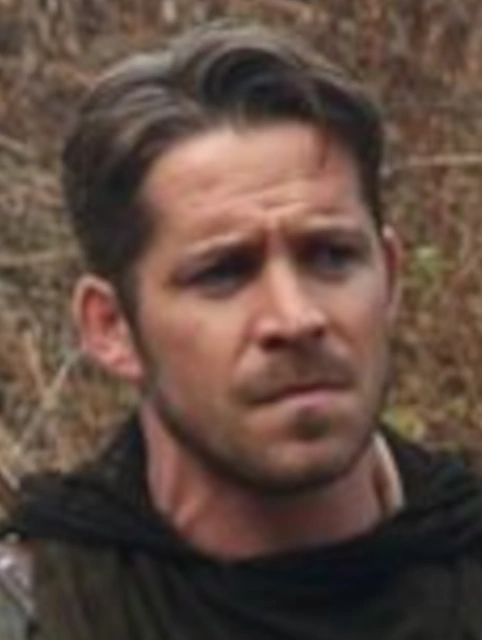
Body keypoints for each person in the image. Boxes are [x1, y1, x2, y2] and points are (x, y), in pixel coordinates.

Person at [3, 20, 482, 640]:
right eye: (223, 273)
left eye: (331, 256)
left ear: (389, 277)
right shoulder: (42, 610)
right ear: (112, 327)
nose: (295, 317)